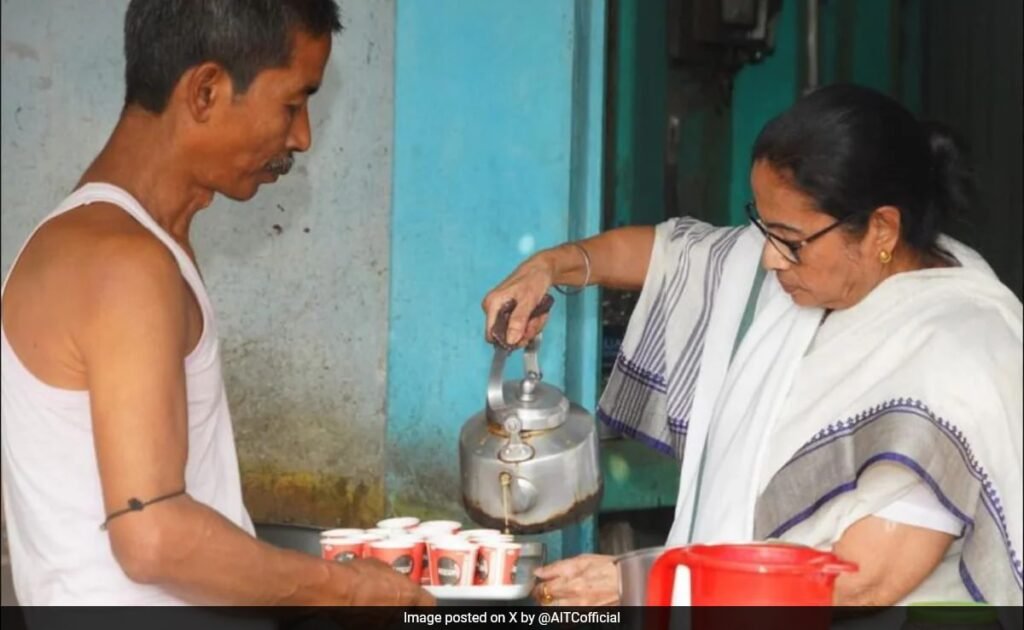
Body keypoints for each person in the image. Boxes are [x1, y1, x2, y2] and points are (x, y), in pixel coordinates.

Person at [483, 84, 1023, 606]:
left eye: (789, 241)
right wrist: (548, 266)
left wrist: (659, 579)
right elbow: (669, 254)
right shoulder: (792, 272)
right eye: (762, 228)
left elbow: (866, 578)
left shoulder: (959, 352)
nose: (767, 258)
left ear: (881, 230)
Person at [0, 0, 433, 607]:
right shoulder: (123, 264)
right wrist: (346, 590)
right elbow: (151, 536)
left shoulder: (116, 245)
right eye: (292, 103)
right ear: (205, 91)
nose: (302, 136)